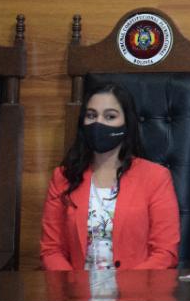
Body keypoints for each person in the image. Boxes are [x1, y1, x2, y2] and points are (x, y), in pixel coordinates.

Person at [40, 83, 179, 270]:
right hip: (76, 287)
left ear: (127, 123)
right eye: (91, 115)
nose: (98, 123)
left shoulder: (155, 177)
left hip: (138, 287)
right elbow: (51, 250)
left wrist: (128, 285)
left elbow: (165, 252)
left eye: (110, 116)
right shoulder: (63, 177)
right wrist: (72, 284)